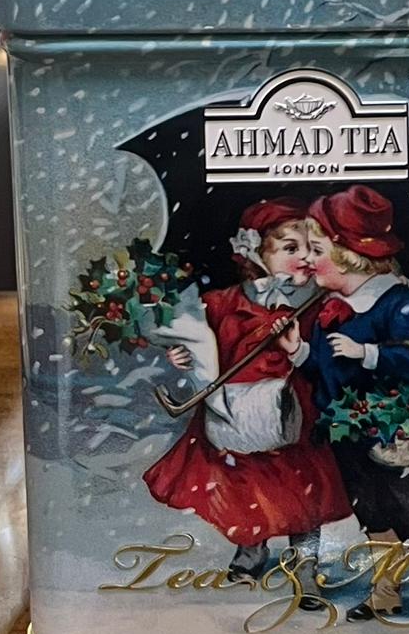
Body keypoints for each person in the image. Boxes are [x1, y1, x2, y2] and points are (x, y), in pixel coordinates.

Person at [144, 199, 350, 607]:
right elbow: (202, 346)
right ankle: (252, 548)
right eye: (290, 248)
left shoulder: (320, 303)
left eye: (310, 247)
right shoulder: (222, 302)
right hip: (233, 410)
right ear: (255, 252)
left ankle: (305, 563)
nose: (304, 257)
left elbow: (328, 356)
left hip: (294, 411)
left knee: (303, 490)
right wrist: (183, 356)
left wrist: (301, 349)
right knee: (245, 486)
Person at [300, 184, 409, 634]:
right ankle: (385, 590)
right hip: (347, 433)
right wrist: (298, 353)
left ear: (350, 256)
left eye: (317, 250)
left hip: (399, 435)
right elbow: (323, 366)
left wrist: (369, 353)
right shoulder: (331, 308)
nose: (307, 260)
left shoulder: (402, 303)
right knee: (371, 513)